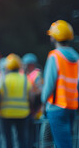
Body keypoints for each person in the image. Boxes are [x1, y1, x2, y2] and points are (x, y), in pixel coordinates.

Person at [41, 20, 78, 148]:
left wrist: (43, 100)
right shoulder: (76, 58)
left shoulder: (55, 56)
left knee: (61, 144)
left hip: (56, 107)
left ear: (55, 37)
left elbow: (49, 84)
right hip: (72, 107)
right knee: (67, 142)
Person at [0, 53, 31, 148]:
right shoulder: (25, 79)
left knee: (8, 140)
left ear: (7, 67)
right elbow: (31, 96)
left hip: (5, 114)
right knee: (22, 139)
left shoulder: (3, 80)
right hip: (23, 113)